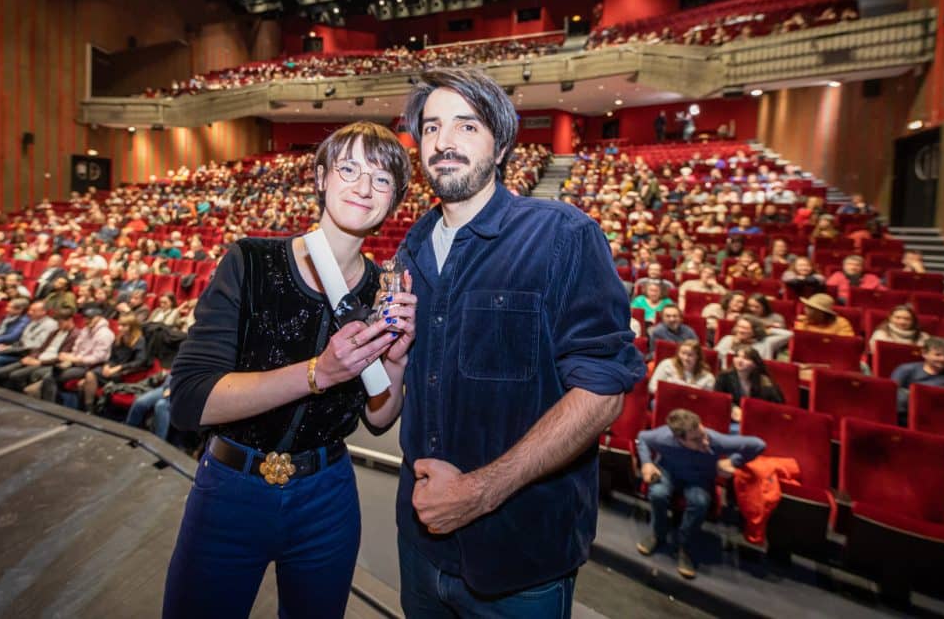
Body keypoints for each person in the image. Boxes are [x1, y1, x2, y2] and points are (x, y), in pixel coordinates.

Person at [392, 68, 641, 615]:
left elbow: (602, 391)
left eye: (466, 126)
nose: (445, 143)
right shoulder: (409, 251)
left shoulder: (564, 235)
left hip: (520, 558)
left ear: (502, 143)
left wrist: (479, 491)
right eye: (431, 128)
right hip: (419, 550)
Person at [163, 122, 417, 618]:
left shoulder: (380, 294)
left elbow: (380, 418)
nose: (364, 187)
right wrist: (318, 372)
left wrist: (396, 362)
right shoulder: (252, 260)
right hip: (231, 489)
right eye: (348, 168)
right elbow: (191, 399)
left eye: (382, 179)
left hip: (327, 496)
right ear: (321, 178)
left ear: (395, 200)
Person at [636, 408, 765, 578]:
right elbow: (643, 438)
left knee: (700, 503)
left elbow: (758, 445)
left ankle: (684, 545)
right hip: (669, 472)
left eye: (703, 433)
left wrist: (733, 461)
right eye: (696, 440)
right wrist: (646, 463)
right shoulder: (663, 437)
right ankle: (658, 534)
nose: (704, 441)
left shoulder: (715, 441)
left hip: (698, 479)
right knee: (658, 494)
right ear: (679, 439)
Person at [890, 337, 944, 421]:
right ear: (924, 353)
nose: (943, 359)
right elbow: (891, 395)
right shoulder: (906, 370)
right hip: (909, 415)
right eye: (938, 355)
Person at [715, 347, 785, 425]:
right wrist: (732, 408)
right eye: (737, 356)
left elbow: (779, 405)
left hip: (757, 422)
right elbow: (718, 398)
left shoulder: (764, 381)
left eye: (745, 358)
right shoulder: (724, 377)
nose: (739, 360)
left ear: (755, 364)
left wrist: (768, 388)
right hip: (730, 421)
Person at [649, 340, 715, 393]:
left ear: (698, 357)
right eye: (683, 353)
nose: (685, 358)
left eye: (690, 355)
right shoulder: (667, 365)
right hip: (668, 400)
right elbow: (652, 387)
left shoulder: (707, 377)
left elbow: (707, 400)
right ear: (678, 353)